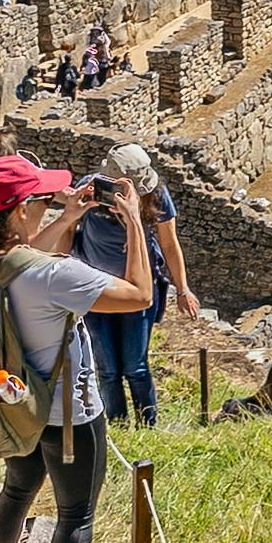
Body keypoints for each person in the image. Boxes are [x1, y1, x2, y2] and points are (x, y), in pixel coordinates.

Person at [0, 157, 150, 543]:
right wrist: (134, 222)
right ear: (19, 212)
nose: (49, 204)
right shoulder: (58, 275)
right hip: (68, 414)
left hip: (14, 405)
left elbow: (15, 260)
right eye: (41, 200)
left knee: (17, 491)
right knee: (76, 514)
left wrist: (64, 218)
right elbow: (140, 295)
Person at [86, 148, 202, 427]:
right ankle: (117, 423)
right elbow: (69, 227)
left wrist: (183, 289)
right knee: (108, 369)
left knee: (135, 366)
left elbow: (169, 244)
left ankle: (148, 424)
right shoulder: (89, 190)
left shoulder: (156, 196)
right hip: (96, 289)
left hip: (138, 291)